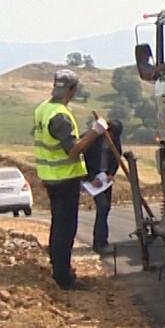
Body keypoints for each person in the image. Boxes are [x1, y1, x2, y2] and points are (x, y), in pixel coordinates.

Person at [33, 69, 109, 290]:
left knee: (59, 224)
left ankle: (59, 268)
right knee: (66, 228)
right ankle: (63, 277)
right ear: (73, 90)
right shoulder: (60, 116)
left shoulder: (43, 109)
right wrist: (96, 132)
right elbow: (73, 150)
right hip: (63, 179)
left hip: (50, 177)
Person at [82, 120, 122, 252]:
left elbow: (117, 158)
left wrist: (111, 173)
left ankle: (101, 240)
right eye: (112, 135)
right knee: (103, 206)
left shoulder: (115, 141)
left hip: (105, 179)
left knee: (106, 208)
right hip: (93, 179)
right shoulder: (92, 140)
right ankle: (99, 243)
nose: (113, 138)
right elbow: (82, 160)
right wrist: (90, 178)